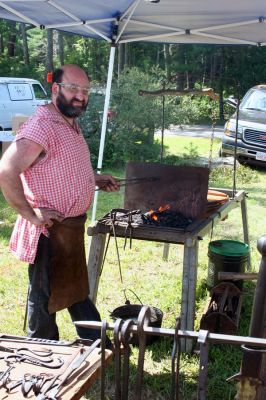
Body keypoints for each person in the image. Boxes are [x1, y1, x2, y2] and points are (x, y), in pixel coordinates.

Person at [0, 64, 119, 345]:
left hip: (70, 229)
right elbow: (6, 170)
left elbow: (64, 167)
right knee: (44, 299)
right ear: (56, 89)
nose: (80, 96)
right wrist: (31, 214)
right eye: (73, 88)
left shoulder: (69, 122)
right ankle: (42, 353)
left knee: (74, 290)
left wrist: (94, 178)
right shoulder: (42, 124)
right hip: (49, 231)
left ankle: (97, 344)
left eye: (85, 90)